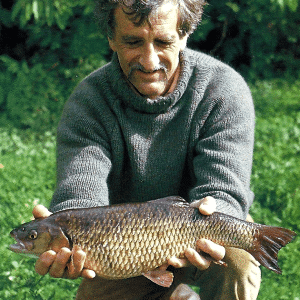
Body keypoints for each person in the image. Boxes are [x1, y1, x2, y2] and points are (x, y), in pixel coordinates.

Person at [33, 0, 261, 299]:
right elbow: (81, 193)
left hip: (200, 227)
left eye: (164, 41)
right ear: (111, 39)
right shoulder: (89, 101)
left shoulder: (223, 89)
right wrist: (65, 226)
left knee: (238, 263)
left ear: (185, 35)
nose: (150, 61)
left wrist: (215, 210)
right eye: (133, 41)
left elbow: (224, 191)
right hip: (121, 245)